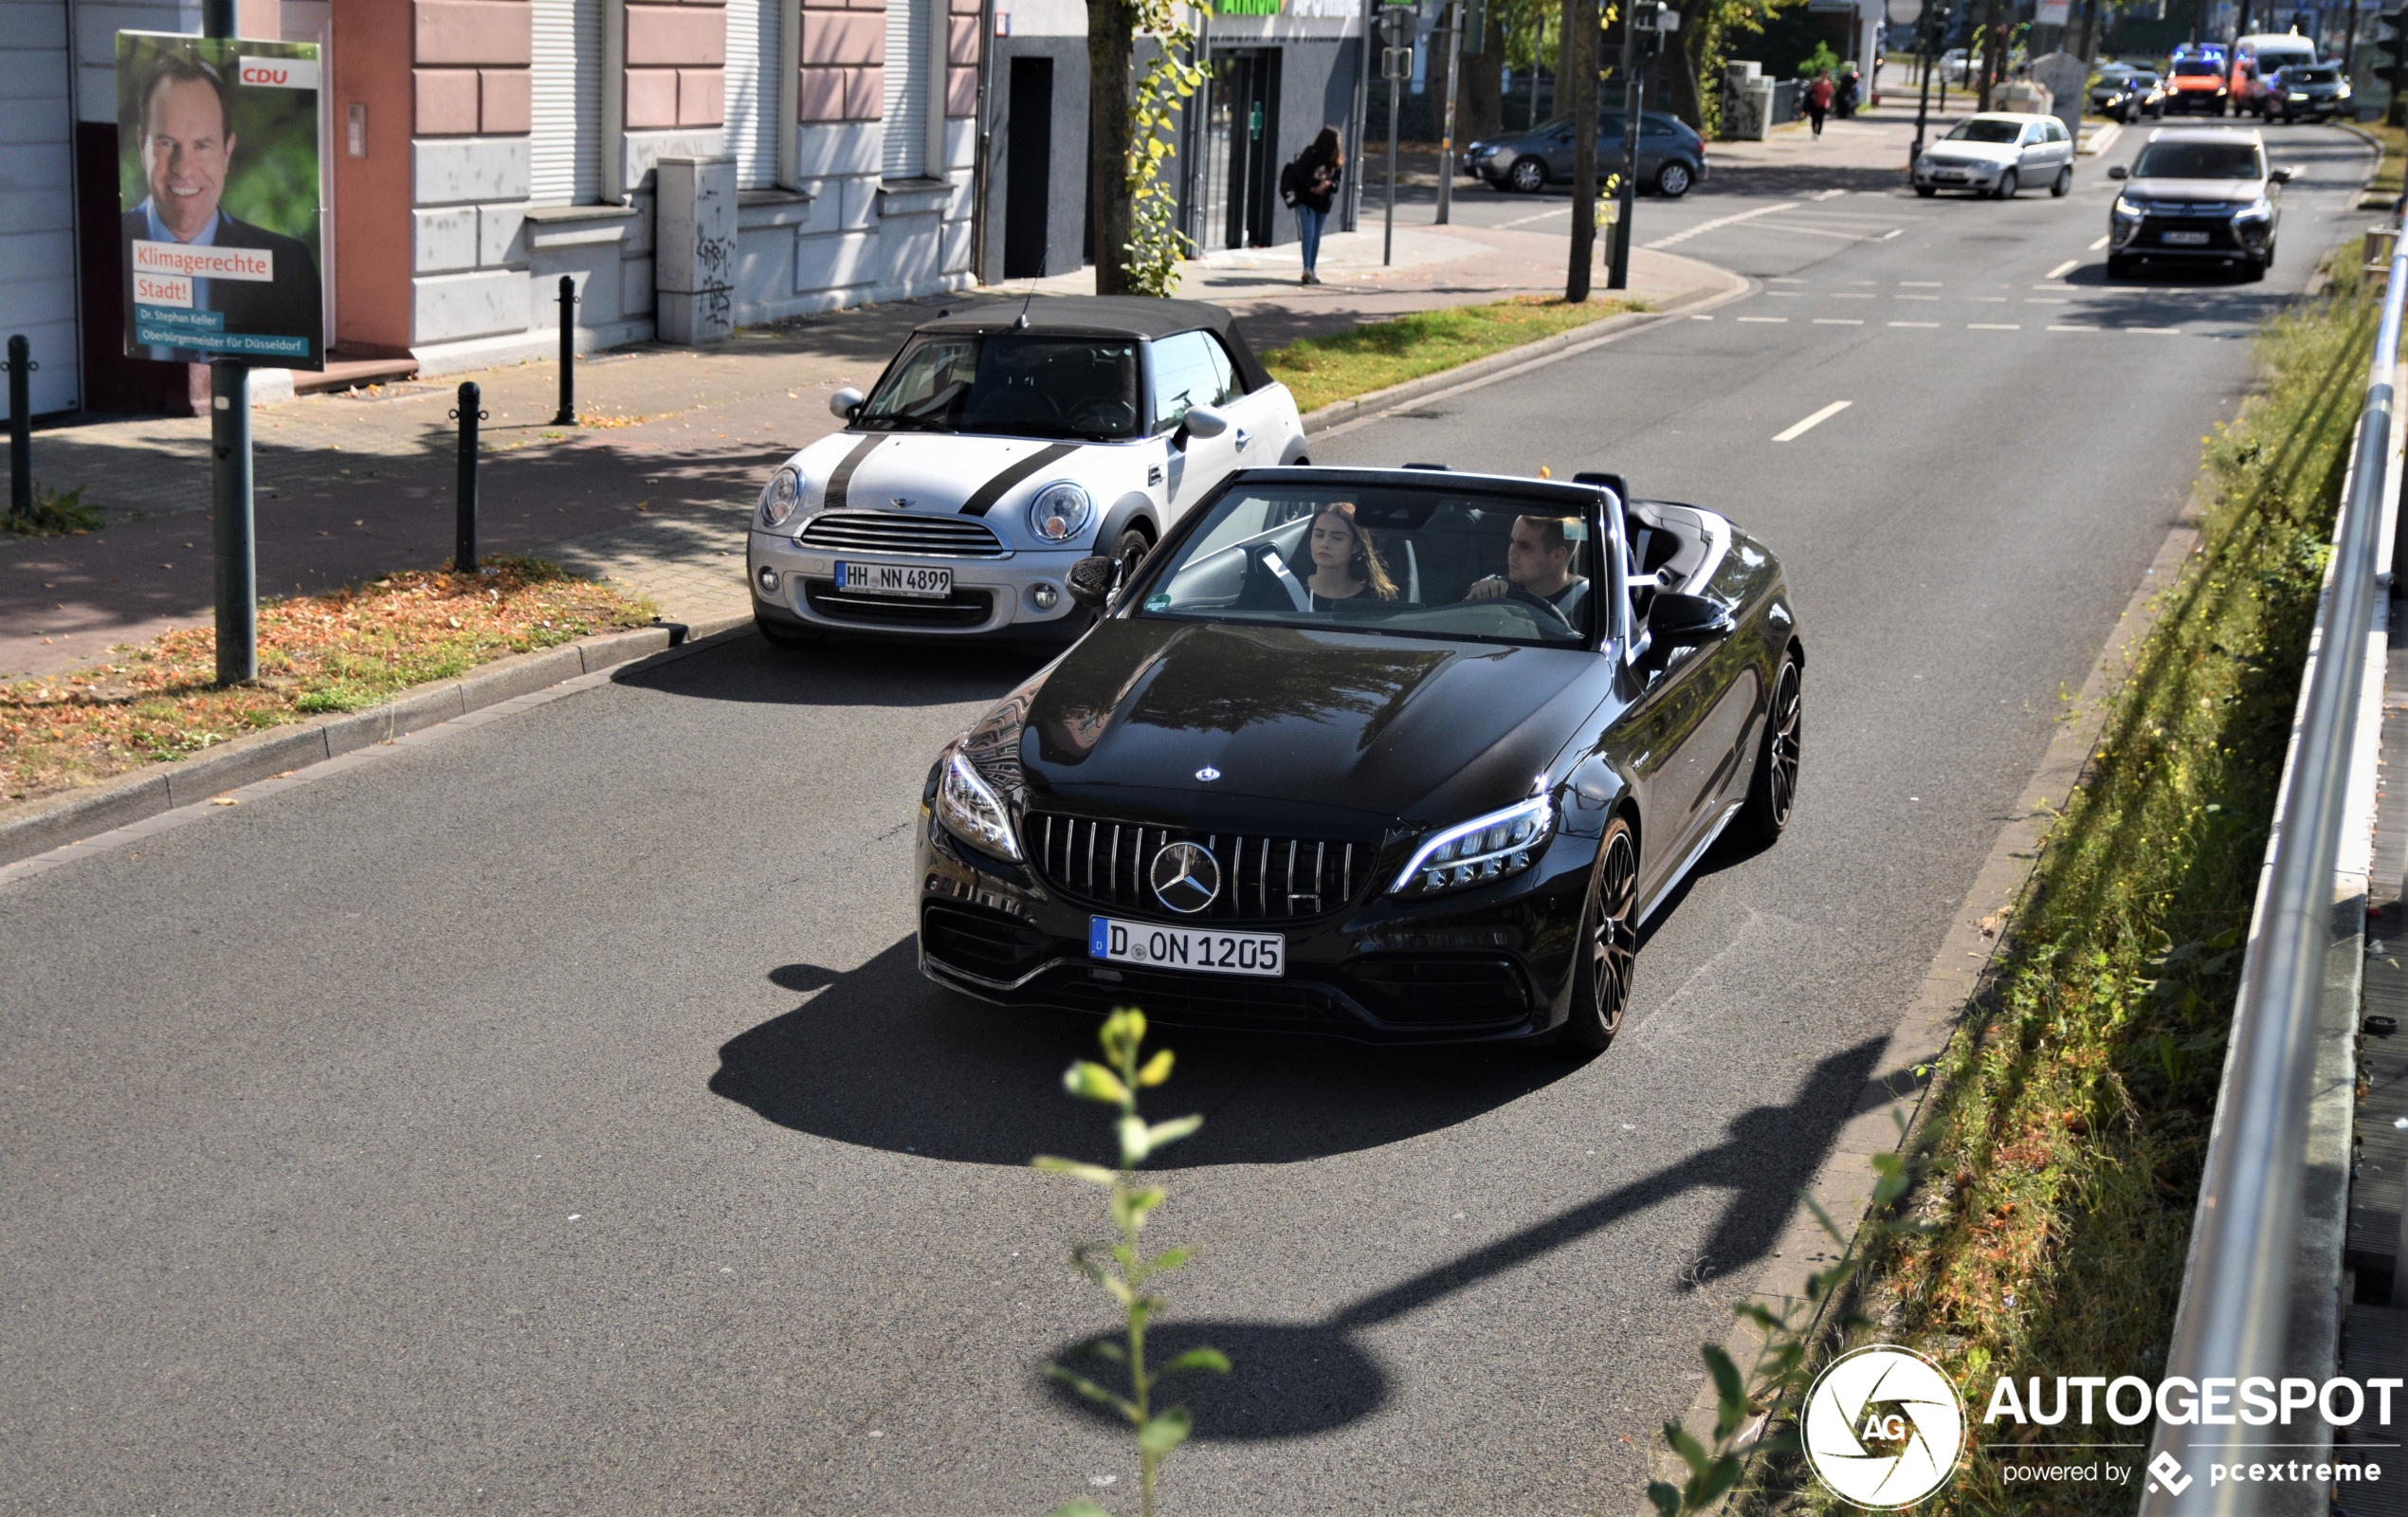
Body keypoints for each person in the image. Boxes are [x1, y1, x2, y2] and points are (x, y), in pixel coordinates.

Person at [121, 51, 322, 364]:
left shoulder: (288, 268)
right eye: (166, 143)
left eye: (202, 145)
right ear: (142, 146)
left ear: (227, 152)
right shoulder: (103, 250)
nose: (183, 168)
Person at [1242, 502, 1398, 612]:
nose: (1324, 544)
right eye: (1318, 535)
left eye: (1337, 538)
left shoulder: (1376, 598)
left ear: (1356, 546)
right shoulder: (1284, 593)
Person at [1467, 515, 1590, 622]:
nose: (1511, 552)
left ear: (1558, 555)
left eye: (1525, 546)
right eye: (1512, 541)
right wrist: (1476, 598)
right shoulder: (1495, 591)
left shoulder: (1591, 605)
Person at [1278, 127, 1345, 287]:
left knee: (1316, 236)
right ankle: (1307, 268)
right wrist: (1314, 185)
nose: (1338, 145)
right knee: (1309, 231)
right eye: (1336, 141)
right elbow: (1299, 174)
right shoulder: (1311, 153)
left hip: (1323, 203)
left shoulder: (1336, 160)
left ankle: (1312, 269)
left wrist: (1329, 185)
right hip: (1306, 200)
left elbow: (1337, 183)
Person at [1804, 72, 1834, 138]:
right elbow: (1811, 90)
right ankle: (1814, 132)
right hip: (1815, 103)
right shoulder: (1816, 83)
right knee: (1814, 118)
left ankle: (1818, 133)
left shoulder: (1828, 83)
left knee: (1820, 118)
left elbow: (1831, 92)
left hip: (1823, 103)